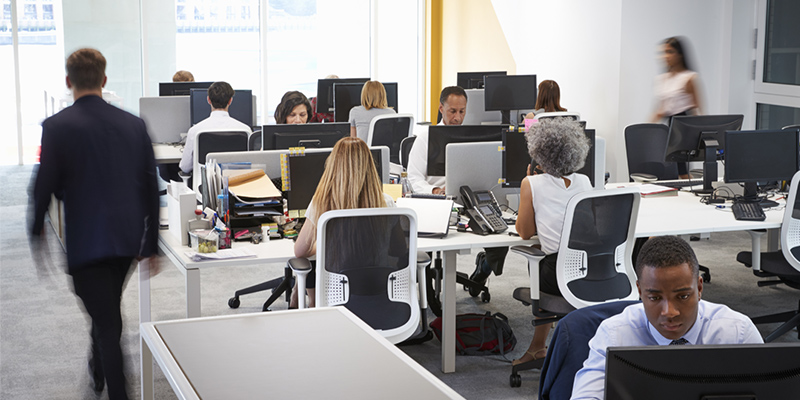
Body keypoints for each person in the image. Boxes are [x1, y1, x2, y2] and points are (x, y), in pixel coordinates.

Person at [31, 48, 160, 399]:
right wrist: (151, 246)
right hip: (126, 239)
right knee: (105, 310)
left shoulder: (56, 127)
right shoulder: (134, 124)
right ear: (104, 81)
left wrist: (36, 229)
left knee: (108, 322)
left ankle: (115, 389)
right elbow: (151, 185)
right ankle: (97, 366)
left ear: (69, 81)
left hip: (87, 241)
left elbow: (44, 185)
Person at [570, 235, 763, 399]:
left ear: (700, 287)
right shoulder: (615, 335)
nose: (669, 312)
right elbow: (586, 394)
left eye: (683, 296)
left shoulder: (737, 333)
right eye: (654, 298)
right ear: (639, 291)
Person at [406, 85, 508, 296]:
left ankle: (483, 270)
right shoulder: (425, 137)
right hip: (436, 203)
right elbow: (414, 176)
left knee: (501, 237)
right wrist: (434, 190)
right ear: (441, 108)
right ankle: (429, 292)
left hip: (468, 199)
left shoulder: (471, 136)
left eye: (462, 111)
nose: (457, 117)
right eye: (452, 111)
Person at [512, 117, 594, 366]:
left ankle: (538, 346)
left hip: (558, 274)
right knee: (545, 253)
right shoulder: (585, 182)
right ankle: (539, 346)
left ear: (539, 153)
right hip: (588, 270)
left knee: (538, 256)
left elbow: (524, 232)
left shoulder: (532, 183)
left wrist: (527, 189)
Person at [292, 137, 395, 308]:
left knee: (309, 262)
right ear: (370, 166)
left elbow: (300, 251)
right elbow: (398, 248)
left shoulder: (322, 203)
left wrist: (324, 243)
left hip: (336, 296)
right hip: (381, 292)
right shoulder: (386, 202)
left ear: (333, 166)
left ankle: (306, 302)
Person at [651, 36, 703, 178]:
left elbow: (697, 109)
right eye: (663, 52)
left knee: (682, 173)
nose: (665, 56)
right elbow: (661, 109)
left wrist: (699, 138)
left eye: (670, 51)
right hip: (667, 128)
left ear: (680, 54)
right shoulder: (662, 78)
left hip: (683, 128)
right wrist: (646, 129)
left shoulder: (689, 78)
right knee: (663, 169)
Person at [179, 81, 252, 174]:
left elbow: (185, 167)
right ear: (230, 100)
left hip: (205, 186)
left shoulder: (196, 130)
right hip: (236, 183)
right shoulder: (245, 130)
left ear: (208, 100)